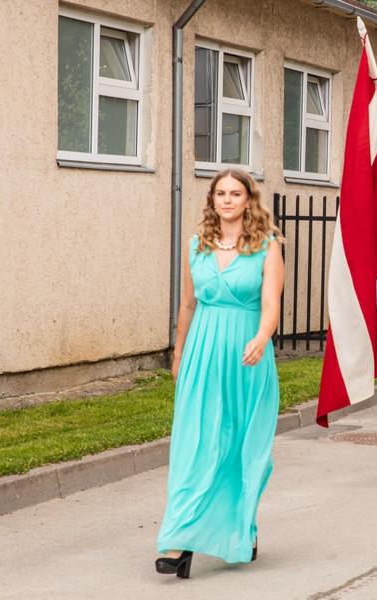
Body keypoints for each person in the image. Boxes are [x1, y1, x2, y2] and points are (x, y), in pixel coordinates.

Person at [156, 168, 285, 578]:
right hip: (202, 353)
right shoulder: (197, 244)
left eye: (235, 193)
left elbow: (271, 305)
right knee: (195, 445)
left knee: (240, 447)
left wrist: (263, 337)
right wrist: (178, 355)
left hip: (247, 354)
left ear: (249, 199)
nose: (227, 200)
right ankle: (179, 539)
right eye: (220, 193)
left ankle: (241, 527)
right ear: (212, 200)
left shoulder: (267, 246)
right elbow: (188, 305)